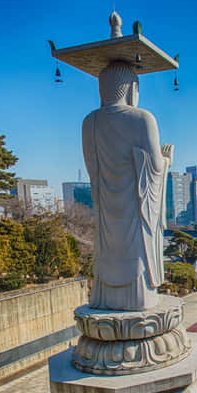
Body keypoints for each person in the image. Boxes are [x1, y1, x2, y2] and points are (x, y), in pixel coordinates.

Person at [82, 61, 173, 310]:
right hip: (135, 207)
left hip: (106, 210)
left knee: (106, 251)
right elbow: (154, 167)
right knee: (137, 255)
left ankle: (105, 298)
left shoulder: (89, 122)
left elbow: (93, 170)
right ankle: (139, 298)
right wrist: (166, 162)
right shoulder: (143, 118)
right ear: (132, 88)